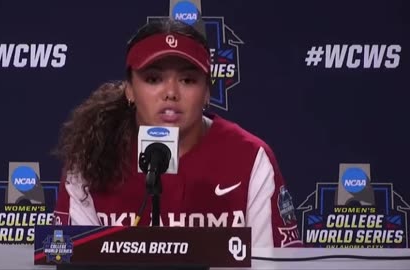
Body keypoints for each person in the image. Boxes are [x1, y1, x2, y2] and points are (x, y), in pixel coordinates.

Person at [53, 18, 302, 248]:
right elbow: (67, 257)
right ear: (129, 89)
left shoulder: (249, 157)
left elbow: (274, 263)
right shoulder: (91, 157)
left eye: (187, 80)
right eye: (153, 79)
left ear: (207, 92)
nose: (171, 93)